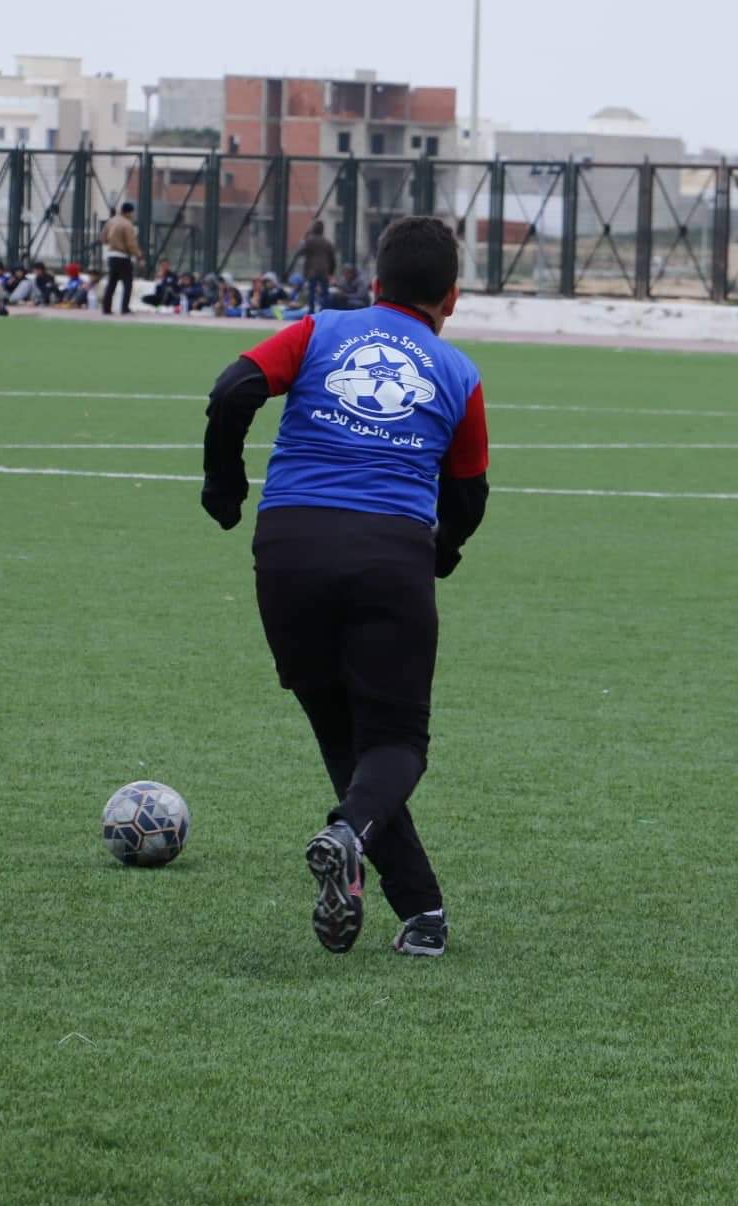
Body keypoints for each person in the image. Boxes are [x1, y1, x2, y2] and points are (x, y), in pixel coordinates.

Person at [198, 215, 491, 958]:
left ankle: (421, 913)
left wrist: (225, 484)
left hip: (289, 545)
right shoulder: (457, 371)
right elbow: (469, 495)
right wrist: (443, 553)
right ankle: (347, 834)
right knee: (397, 743)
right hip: (389, 551)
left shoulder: (319, 329)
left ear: (374, 280)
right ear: (451, 298)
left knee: (343, 734)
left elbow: (233, 388)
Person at [100, 202, 143, 316]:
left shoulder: (111, 221)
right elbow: (131, 243)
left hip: (111, 255)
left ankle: (106, 308)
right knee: (127, 283)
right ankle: (125, 308)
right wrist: (139, 255)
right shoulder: (127, 224)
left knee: (112, 282)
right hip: (123, 256)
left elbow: (103, 238)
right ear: (129, 212)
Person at [299, 220, 337, 314]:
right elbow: (332, 258)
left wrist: (305, 237)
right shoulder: (327, 242)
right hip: (324, 270)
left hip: (312, 271)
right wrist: (331, 272)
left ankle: (311, 311)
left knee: (311, 292)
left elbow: (301, 252)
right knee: (325, 293)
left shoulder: (309, 241)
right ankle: (325, 312)